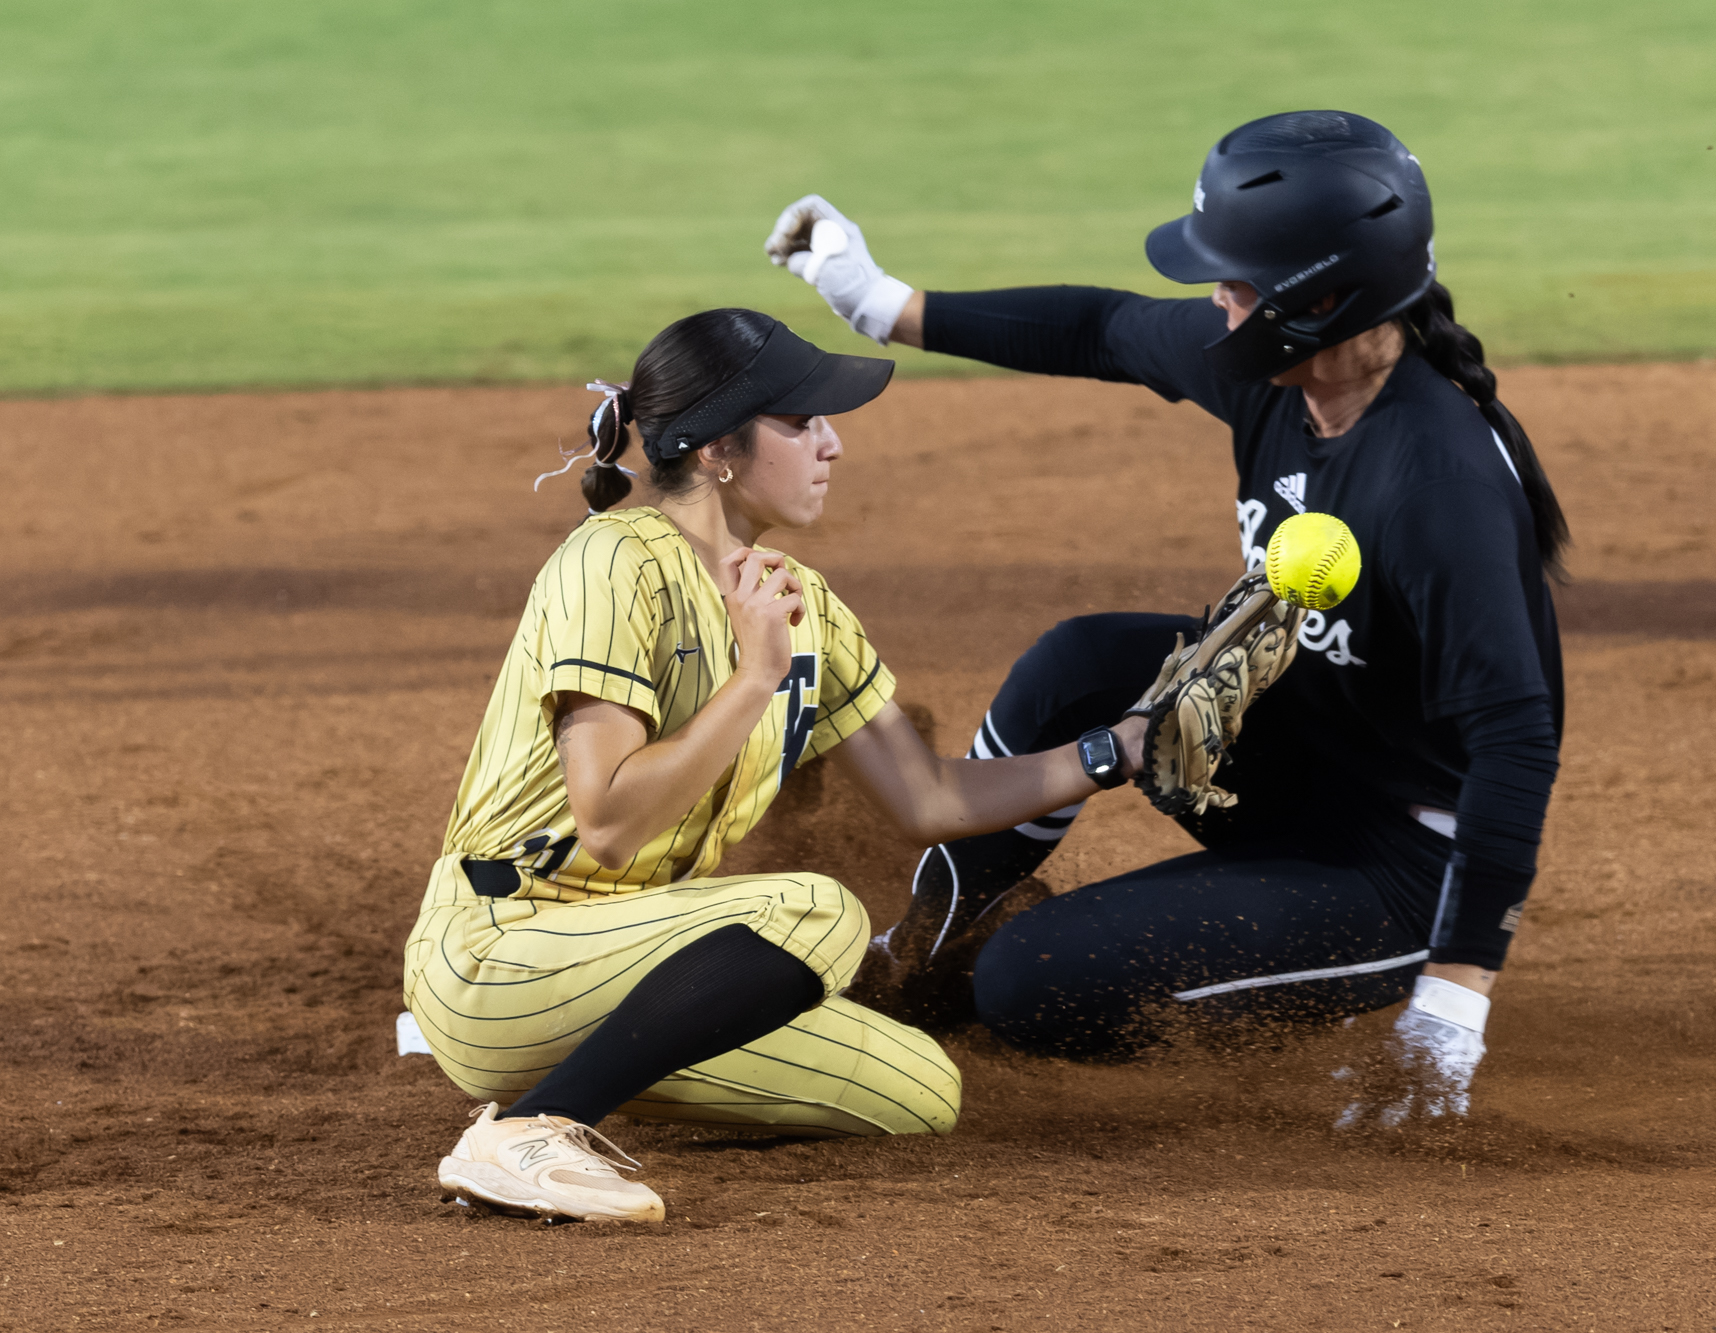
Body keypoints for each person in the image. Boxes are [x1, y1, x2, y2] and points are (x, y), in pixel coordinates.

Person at [765, 110, 1566, 1123]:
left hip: (1402, 861)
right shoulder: (1285, 379)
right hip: (1303, 760)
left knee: (1025, 984)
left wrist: (1454, 1001)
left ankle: (1373, 967)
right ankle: (913, 947)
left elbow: (1515, 737)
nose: (1215, 303)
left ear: (1318, 301)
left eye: (1234, 284)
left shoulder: (1434, 481)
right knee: (1085, 659)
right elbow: (1099, 327)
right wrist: (879, 303)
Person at [404, 309, 1150, 1222]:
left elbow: (928, 796)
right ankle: (530, 1127)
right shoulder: (611, 564)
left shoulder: (807, 604)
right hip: (499, 948)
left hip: (635, 966)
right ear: (720, 448)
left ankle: (592, 1072)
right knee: (817, 912)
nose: (832, 445)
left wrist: (1116, 750)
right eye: (803, 423)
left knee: (920, 1090)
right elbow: (607, 819)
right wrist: (756, 675)